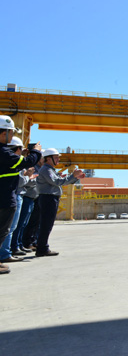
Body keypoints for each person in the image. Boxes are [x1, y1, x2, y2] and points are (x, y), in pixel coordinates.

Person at [0, 116, 42, 274]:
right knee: (3, 230)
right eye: (10, 133)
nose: (11, 137)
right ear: (3, 133)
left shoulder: (4, 154)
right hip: (4, 198)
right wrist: (36, 153)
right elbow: (25, 162)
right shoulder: (3, 152)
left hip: (4, 195)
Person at [36, 148, 85, 257]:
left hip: (50, 198)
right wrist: (73, 175)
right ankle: (42, 248)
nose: (58, 159)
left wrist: (74, 177)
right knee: (46, 224)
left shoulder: (50, 170)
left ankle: (42, 247)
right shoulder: (46, 170)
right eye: (56, 157)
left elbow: (59, 180)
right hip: (48, 198)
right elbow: (58, 181)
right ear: (48, 159)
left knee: (47, 224)